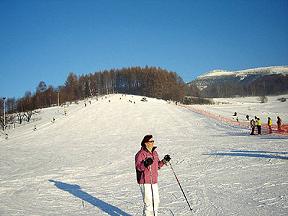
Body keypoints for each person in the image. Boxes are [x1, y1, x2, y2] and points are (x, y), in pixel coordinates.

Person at [135, 135, 171, 216]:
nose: (152, 143)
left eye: (153, 141)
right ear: (145, 143)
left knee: (156, 201)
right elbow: (138, 168)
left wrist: (164, 161)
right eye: (150, 141)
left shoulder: (154, 153)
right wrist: (145, 163)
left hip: (154, 181)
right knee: (149, 204)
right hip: (145, 181)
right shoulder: (140, 154)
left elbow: (157, 165)